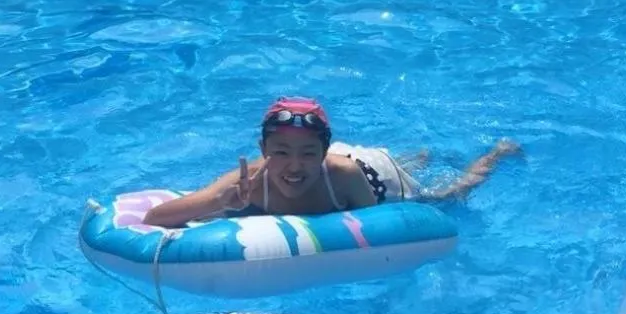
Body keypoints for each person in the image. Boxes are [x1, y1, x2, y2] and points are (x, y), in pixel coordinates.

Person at [141, 97, 521, 228]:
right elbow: (156, 219)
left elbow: (375, 229)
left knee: (447, 197)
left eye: (307, 154)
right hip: (339, 162)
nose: (293, 166)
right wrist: (222, 204)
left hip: (372, 176)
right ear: (263, 150)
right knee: (419, 161)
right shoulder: (246, 183)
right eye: (280, 153)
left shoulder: (343, 174)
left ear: (322, 154)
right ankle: (419, 155)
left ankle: (494, 155)